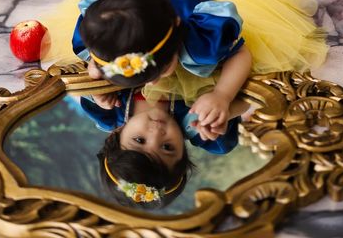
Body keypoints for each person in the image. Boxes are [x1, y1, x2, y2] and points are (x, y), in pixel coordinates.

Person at [41, 0, 328, 135]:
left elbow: (241, 53)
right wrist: (100, 88)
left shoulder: (201, 36)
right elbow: (95, 62)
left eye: (155, 76)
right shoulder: (99, 24)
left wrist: (222, 95)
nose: (154, 84)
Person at [79, 85, 249, 208]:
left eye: (139, 140)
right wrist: (222, 112)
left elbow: (85, 77)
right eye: (167, 147)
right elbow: (247, 100)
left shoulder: (110, 110)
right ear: (183, 154)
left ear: (116, 134)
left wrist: (98, 92)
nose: (156, 133)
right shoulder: (196, 124)